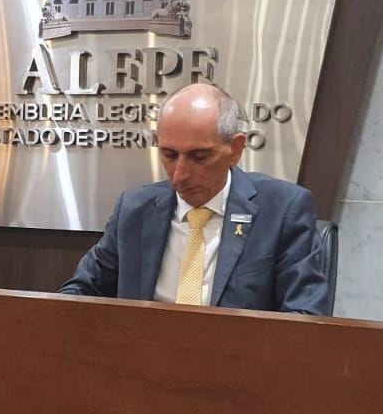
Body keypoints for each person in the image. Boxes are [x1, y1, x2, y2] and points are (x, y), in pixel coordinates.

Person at [60, 83, 330, 314]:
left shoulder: (282, 211)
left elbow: (303, 317)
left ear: (235, 149)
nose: (180, 175)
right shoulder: (134, 209)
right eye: (169, 155)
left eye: (199, 157)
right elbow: (81, 290)